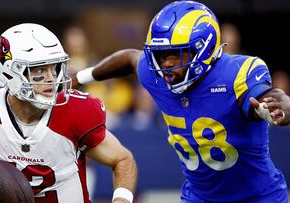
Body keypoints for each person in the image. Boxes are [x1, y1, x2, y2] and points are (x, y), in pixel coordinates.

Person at [72, 1, 290, 202]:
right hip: (199, 197)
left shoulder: (236, 73)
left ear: (203, 50)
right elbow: (130, 58)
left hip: (258, 197)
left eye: (175, 55)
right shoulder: (154, 73)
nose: (165, 65)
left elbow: (268, 97)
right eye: (161, 55)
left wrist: (278, 106)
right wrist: (81, 77)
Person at [0, 23, 137, 203]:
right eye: (39, 70)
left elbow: (122, 159)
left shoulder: (76, 110)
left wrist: (121, 200)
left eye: (55, 68)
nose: (51, 79)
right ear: (9, 73)